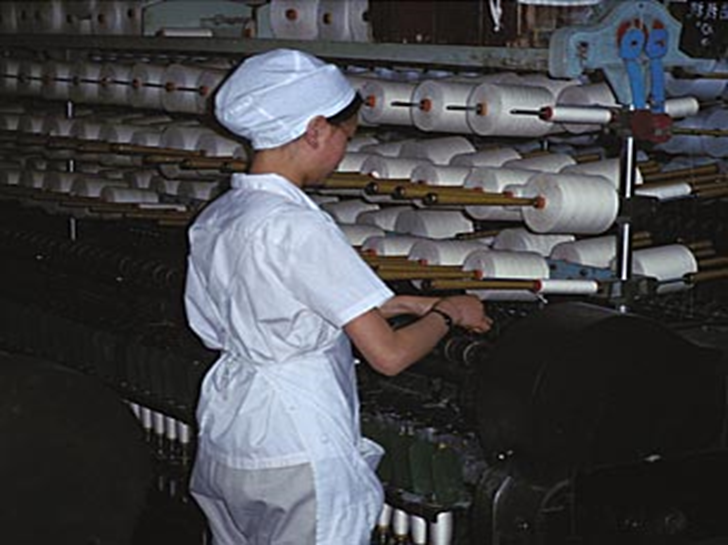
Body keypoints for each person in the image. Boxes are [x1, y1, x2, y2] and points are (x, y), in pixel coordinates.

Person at [184, 48, 492, 545]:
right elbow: (388, 356)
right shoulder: (299, 226)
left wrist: (408, 305)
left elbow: (284, 302)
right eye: (345, 139)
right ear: (315, 130)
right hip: (297, 439)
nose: (342, 153)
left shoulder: (220, 216)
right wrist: (449, 315)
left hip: (231, 432)